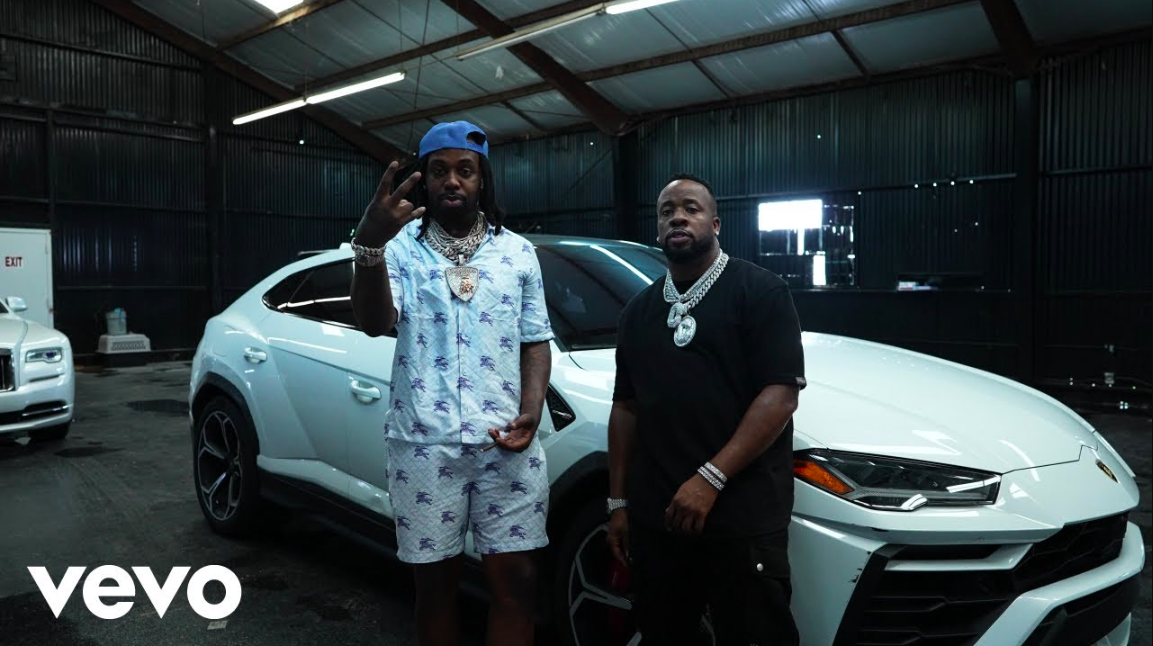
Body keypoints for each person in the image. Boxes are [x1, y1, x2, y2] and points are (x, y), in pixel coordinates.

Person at [349, 121, 554, 646]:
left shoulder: (518, 253)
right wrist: (369, 246)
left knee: (517, 584)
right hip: (424, 445)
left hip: (505, 443)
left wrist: (532, 409)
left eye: (465, 170)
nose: (453, 181)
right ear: (424, 180)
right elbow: (374, 321)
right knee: (436, 591)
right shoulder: (400, 249)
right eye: (439, 171)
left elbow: (535, 340)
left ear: (483, 179)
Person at [605, 174, 805, 645]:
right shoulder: (637, 312)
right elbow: (626, 407)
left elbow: (780, 394)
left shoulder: (761, 292)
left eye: (691, 208)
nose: (678, 217)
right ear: (658, 229)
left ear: (715, 224)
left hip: (741, 515)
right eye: (667, 211)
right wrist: (617, 503)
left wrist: (711, 478)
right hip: (659, 519)